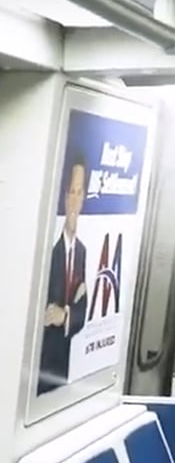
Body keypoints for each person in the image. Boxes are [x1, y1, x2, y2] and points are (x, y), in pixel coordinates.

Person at [38, 155, 89, 395]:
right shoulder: (49, 251)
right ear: (64, 196)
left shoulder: (82, 252)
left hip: (63, 367)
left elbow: (83, 310)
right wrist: (66, 311)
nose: (74, 199)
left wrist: (65, 314)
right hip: (39, 364)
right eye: (71, 192)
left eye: (79, 192)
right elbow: (43, 312)